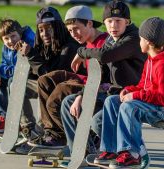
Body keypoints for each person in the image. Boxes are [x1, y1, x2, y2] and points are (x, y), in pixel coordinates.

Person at [60, 0, 147, 165]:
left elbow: (106, 55)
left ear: (127, 22)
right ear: (105, 23)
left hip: (131, 96)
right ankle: (83, 155)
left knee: (98, 120)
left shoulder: (132, 38)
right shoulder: (111, 40)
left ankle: (135, 151)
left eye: (118, 21)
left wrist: (81, 52)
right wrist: (81, 95)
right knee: (68, 103)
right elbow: (101, 75)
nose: (113, 25)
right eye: (109, 21)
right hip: (111, 95)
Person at [94, 17, 164, 169]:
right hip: (152, 104)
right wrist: (129, 90)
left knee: (129, 107)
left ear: (148, 41)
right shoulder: (150, 60)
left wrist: (135, 96)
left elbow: (163, 98)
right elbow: (143, 85)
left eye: (140, 39)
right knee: (112, 101)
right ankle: (110, 150)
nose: (138, 42)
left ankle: (132, 154)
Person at [27, 5, 109, 149]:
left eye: (76, 29)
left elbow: (102, 78)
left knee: (57, 95)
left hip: (98, 87)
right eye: (70, 30)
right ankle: (52, 133)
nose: (74, 34)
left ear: (89, 24)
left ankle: (69, 137)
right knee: (45, 80)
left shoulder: (103, 43)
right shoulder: (87, 43)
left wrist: (81, 95)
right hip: (84, 80)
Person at [14, 6, 84, 154]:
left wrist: (32, 55)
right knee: (16, 85)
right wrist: (25, 57)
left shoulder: (69, 47)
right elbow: (38, 74)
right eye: (41, 29)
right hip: (49, 84)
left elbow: (52, 79)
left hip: (67, 87)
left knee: (44, 85)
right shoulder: (44, 46)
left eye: (49, 28)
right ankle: (30, 129)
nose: (44, 33)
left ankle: (47, 133)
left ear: (58, 28)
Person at [0, 18, 35, 133]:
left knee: (11, 80)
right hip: (17, 75)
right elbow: (5, 64)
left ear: (20, 34)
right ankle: (5, 117)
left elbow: (21, 70)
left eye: (13, 36)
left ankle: (18, 120)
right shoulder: (6, 48)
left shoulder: (27, 44)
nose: (10, 41)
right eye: (6, 38)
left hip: (32, 76)